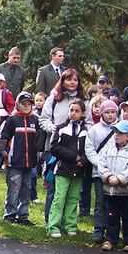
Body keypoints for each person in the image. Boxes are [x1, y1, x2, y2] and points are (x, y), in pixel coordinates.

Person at [47, 96, 88, 237]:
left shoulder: (86, 131)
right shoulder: (61, 128)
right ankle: (53, 225)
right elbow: (54, 147)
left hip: (79, 170)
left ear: (82, 113)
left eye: (77, 111)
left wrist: (83, 160)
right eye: (71, 110)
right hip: (63, 169)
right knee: (60, 197)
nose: (73, 113)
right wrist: (73, 156)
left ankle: (70, 224)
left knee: (73, 198)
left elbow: (89, 149)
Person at [97, 118, 128, 250]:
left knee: (127, 216)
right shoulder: (109, 149)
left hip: (126, 190)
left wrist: (120, 178)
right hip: (111, 189)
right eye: (115, 132)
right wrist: (108, 175)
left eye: (120, 133)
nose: (116, 135)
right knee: (111, 215)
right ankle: (111, 239)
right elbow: (101, 163)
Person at [0, 91, 42, 225]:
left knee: (26, 189)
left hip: (30, 163)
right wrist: (4, 152)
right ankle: (10, 215)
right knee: (14, 189)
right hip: (14, 162)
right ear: (18, 104)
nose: (27, 106)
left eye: (29, 103)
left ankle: (23, 215)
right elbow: (4, 138)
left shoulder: (35, 120)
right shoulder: (12, 120)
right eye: (24, 103)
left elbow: (39, 139)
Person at [85, 98, 120, 245]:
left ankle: (112, 230)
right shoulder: (94, 130)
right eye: (107, 112)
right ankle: (98, 229)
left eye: (113, 112)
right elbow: (89, 149)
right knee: (100, 202)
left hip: (116, 173)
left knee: (114, 203)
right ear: (102, 114)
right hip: (99, 172)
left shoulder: (121, 129)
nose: (111, 115)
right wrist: (99, 165)